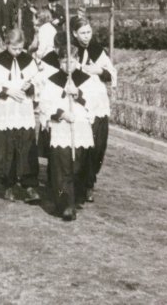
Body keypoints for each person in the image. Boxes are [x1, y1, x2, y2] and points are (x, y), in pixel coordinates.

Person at [38, 48, 95, 221]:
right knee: (62, 168)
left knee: (77, 167)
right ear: (59, 62)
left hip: (81, 129)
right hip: (62, 128)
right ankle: (65, 205)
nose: (68, 65)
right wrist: (62, 114)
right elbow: (45, 104)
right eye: (64, 61)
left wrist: (78, 95)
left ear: (77, 60)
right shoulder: (52, 81)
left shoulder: (87, 80)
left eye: (71, 61)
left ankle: (76, 198)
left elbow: (94, 104)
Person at [0, 28, 41, 203]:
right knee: (5, 146)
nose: (18, 52)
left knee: (25, 145)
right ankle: (6, 184)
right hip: (5, 109)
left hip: (23, 110)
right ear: (7, 44)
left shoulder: (28, 60)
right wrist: (8, 90)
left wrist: (30, 87)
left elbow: (39, 82)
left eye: (20, 48)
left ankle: (28, 183)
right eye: (14, 48)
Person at [72, 16, 117, 203]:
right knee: (81, 145)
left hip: (98, 103)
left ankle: (90, 183)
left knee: (98, 146)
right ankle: (75, 184)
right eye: (82, 33)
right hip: (79, 102)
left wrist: (99, 71)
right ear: (74, 33)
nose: (86, 36)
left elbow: (111, 73)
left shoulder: (97, 50)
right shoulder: (70, 50)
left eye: (89, 32)